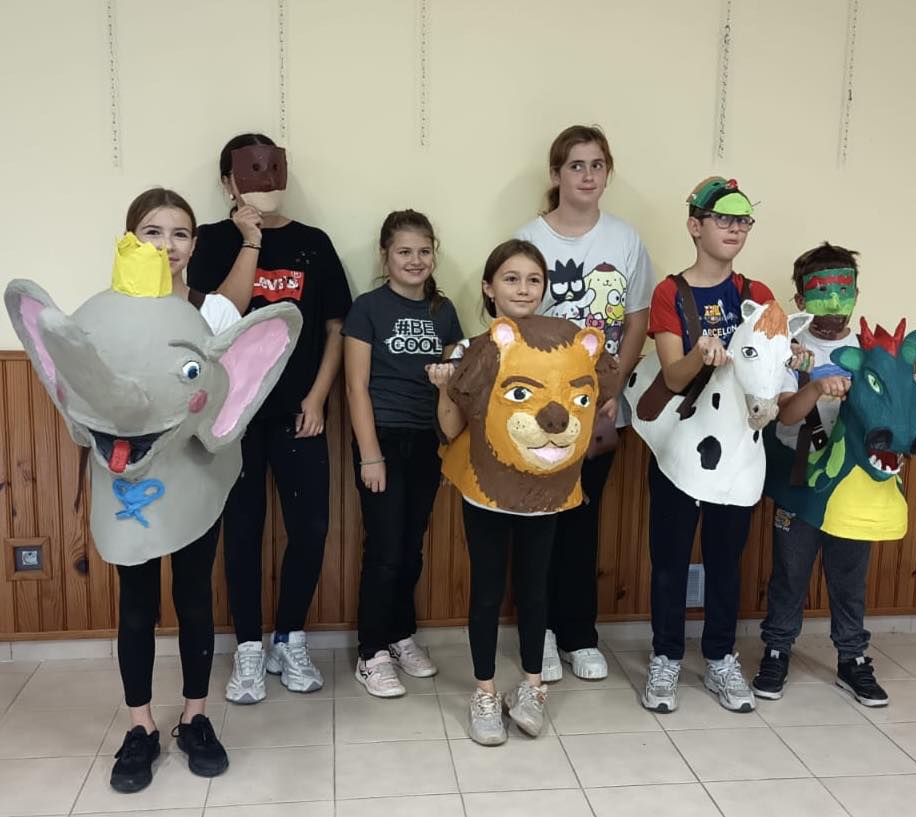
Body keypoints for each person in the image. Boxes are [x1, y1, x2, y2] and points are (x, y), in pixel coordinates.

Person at [187, 133, 352, 705]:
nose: (263, 179)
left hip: (296, 411)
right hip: (233, 416)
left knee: (311, 527)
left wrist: (318, 397)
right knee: (242, 531)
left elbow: (335, 326)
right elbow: (208, 322)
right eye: (248, 170)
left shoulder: (313, 244)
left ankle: (289, 638)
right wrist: (249, 238)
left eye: (272, 168)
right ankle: (249, 648)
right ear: (228, 181)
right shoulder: (210, 242)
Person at [432, 239, 613, 745]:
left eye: (534, 280)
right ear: (489, 288)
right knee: (487, 591)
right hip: (485, 492)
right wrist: (445, 386)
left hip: (546, 492)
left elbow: (595, 398)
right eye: (511, 278)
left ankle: (532, 687)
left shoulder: (569, 345)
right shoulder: (470, 350)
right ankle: (485, 691)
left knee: (535, 590)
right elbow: (449, 430)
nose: (523, 289)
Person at [110, 186, 254, 792]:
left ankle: (195, 719)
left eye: (179, 234)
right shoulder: (111, 312)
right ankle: (140, 727)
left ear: (194, 244)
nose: (167, 245)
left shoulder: (214, 313)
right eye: (152, 232)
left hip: (195, 475)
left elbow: (230, 396)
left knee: (195, 597)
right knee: (136, 603)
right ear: (130, 240)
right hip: (132, 484)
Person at [752, 242, 916, 706]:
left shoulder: (869, 352)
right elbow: (785, 415)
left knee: (849, 574)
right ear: (800, 298)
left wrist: (909, 383)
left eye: (843, 291)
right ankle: (777, 650)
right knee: (790, 571)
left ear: (855, 294)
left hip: (853, 486)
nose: (833, 303)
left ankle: (852, 658)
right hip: (799, 481)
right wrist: (815, 386)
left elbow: (899, 402)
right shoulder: (788, 347)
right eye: (820, 292)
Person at [517, 124, 655, 681]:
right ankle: (542, 634)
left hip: (601, 409)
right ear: (556, 174)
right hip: (544, 413)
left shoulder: (625, 239)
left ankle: (579, 635)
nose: (588, 175)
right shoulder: (530, 237)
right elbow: (515, 316)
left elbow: (638, 317)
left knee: (583, 522)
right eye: (576, 165)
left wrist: (615, 384)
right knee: (541, 525)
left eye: (597, 165)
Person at [642, 176, 778, 715]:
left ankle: (721, 656)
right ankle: (666, 656)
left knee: (726, 560)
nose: (735, 229)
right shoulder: (670, 293)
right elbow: (673, 376)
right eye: (724, 219)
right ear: (695, 226)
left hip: (738, 454)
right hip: (681, 447)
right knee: (670, 559)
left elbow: (771, 366)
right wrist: (701, 353)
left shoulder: (757, 295)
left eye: (743, 220)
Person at [343, 209, 463, 697]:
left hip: (427, 440)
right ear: (385, 256)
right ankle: (370, 652)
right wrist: (370, 455)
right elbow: (355, 387)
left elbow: (455, 383)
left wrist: (450, 442)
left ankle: (399, 635)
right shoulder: (367, 308)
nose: (415, 260)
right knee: (385, 550)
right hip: (383, 439)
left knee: (412, 547)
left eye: (424, 251)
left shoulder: (444, 311)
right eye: (404, 251)